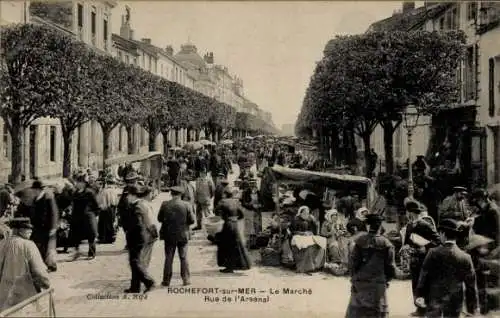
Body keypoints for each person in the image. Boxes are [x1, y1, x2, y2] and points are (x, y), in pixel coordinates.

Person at [415, 218, 478, 318]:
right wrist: (471, 309)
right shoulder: (466, 257)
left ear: (443, 234)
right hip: (455, 302)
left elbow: (424, 277)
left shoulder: (432, 253)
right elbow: (471, 286)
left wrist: (420, 295)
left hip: (434, 300)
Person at [345, 214, 396, 318]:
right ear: (380, 226)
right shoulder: (387, 244)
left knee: (357, 313)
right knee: (377, 312)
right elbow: (390, 267)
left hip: (361, 283)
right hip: (378, 284)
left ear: (368, 226)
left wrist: (354, 278)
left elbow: (352, 264)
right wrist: (386, 280)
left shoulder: (359, 241)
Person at [0, 218, 50, 311]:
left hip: (3, 299)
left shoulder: (1, 244)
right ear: (18, 230)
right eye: (26, 228)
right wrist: (46, 283)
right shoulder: (28, 245)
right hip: (25, 298)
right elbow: (39, 272)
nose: (30, 231)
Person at [401, 200, 441, 317]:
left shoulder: (425, 225)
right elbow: (407, 242)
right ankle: (419, 309)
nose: (407, 215)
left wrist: (426, 247)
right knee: (415, 284)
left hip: (425, 259)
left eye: (408, 212)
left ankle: (427, 308)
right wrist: (406, 247)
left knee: (424, 284)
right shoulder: (409, 226)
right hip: (414, 259)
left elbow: (438, 240)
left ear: (412, 213)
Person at [158, 186, 195, 286]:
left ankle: (166, 281)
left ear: (171, 193)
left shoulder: (165, 204)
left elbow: (159, 218)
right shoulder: (187, 205)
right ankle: (186, 279)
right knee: (183, 257)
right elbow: (192, 220)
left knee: (168, 257)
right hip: (183, 235)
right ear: (181, 194)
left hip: (169, 235)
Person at [123, 185, 156, 293]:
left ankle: (149, 281)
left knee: (135, 262)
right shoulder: (135, 204)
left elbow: (137, 224)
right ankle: (135, 287)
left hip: (137, 238)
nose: (126, 197)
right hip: (135, 237)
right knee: (134, 262)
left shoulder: (138, 206)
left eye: (128, 195)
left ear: (133, 195)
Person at [215, 187, 252, 273]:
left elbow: (216, 212)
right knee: (236, 246)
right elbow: (242, 215)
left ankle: (229, 267)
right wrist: (234, 218)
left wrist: (225, 217)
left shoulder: (222, 202)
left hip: (227, 224)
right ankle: (238, 265)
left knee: (226, 245)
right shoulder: (236, 202)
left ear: (225, 194)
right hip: (235, 224)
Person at [29, 179, 58, 272]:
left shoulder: (48, 198)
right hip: (37, 227)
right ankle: (42, 265)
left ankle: (51, 266)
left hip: (47, 227)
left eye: (34, 189)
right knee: (39, 246)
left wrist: (53, 227)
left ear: (39, 190)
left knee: (48, 248)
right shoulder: (35, 199)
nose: (33, 191)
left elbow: (54, 213)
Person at [69, 173, 100, 261]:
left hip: (88, 217)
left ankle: (91, 253)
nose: (77, 184)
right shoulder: (75, 193)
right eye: (76, 182)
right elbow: (73, 204)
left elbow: (96, 205)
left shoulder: (89, 192)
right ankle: (76, 253)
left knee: (91, 235)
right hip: (77, 217)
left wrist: (94, 215)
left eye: (78, 182)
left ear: (83, 183)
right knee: (76, 235)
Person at [289, 206, 326, 274]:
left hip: (306, 237)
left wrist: (310, 231)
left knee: (319, 243)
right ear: (300, 213)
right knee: (307, 246)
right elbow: (292, 232)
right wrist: (303, 233)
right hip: (296, 237)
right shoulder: (295, 220)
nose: (307, 215)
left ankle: (317, 265)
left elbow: (312, 230)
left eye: (308, 213)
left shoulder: (308, 220)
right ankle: (306, 267)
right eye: (305, 213)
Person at [465, 234, 494, 315]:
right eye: (484, 247)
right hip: (479, 284)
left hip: (471, 284)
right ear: (477, 248)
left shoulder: (469, 257)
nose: (486, 249)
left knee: (471, 300)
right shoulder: (479, 260)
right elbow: (486, 271)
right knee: (480, 299)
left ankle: (471, 312)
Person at [117, 171, 140, 250]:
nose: (131, 182)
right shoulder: (126, 189)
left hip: (133, 213)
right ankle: (129, 243)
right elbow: (122, 201)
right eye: (129, 181)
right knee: (127, 229)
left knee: (133, 229)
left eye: (132, 181)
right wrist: (119, 212)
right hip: (125, 213)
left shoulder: (138, 189)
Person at [96, 175, 119, 244]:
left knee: (104, 224)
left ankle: (104, 238)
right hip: (112, 208)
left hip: (105, 209)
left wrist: (100, 207)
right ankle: (110, 238)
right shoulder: (115, 190)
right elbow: (116, 201)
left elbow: (100, 201)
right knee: (111, 223)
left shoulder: (104, 191)